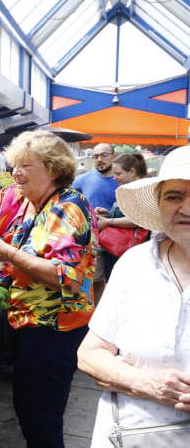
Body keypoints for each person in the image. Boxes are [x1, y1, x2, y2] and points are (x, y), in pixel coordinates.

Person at [0, 130, 96, 448]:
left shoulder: (68, 208)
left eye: (25, 165)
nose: (16, 173)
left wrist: (6, 252)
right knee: (27, 407)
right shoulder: (19, 197)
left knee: (41, 417)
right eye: (14, 165)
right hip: (23, 320)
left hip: (53, 328)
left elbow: (65, 277)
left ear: (53, 169)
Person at [77, 146, 190, 447]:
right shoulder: (136, 263)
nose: (187, 209)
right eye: (174, 197)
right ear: (159, 204)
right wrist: (145, 384)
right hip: (124, 436)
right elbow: (90, 354)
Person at [73, 143, 119, 299]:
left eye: (104, 155)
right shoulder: (82, 180)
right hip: (92, 240)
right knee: (95, 280)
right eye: (96, 156)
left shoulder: (122, 179)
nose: (99, 159)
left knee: (116, 281)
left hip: (119, 242)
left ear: (114, 156)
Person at [95, 153, 149, 280]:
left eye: (118, 174)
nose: (114, 178)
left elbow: (139, 219)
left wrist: (109, 222)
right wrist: (107, 213)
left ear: (132, 171)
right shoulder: (128, 189)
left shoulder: (141, 190)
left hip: (126, 250)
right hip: (118, 249)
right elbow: (127, 214)